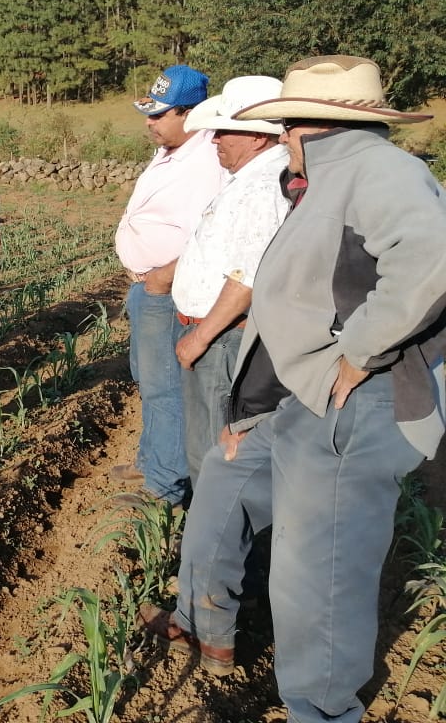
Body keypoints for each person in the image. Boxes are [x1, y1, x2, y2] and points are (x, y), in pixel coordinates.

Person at [142, 56, 446, 722]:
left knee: (318, 573)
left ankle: (321, 708)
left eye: (285, 124)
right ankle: (206, 625)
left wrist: (361, 352)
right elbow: (296, 310)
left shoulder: (380, 172)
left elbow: (432, 258)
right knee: (224, 489)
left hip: (352, 408)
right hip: (295, 400)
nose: (281, 136)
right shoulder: (318, 182)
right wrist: (249, 409)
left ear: (315, 124)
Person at [113, 65, 227, 504]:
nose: (150, 122)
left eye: (159, 115)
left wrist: (161, 277)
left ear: (190, 113)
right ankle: (151, 457)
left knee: (166, 385)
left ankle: (165, 482)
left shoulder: (206, 161)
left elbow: (210, 234)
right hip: (151, 286)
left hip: (170, 287)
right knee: (148, 377)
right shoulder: (172, 151)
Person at [170, 76, 290, 486]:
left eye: (225, 130)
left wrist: (200, 337)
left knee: (218, 456)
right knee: (209, 448)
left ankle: (215, 542)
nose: (215, 139)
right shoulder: (250, 181)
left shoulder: (261, 189)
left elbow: (246, 280)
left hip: (224, 341)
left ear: (258, 138)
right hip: (219, 336)